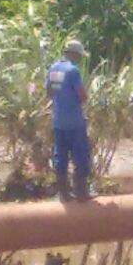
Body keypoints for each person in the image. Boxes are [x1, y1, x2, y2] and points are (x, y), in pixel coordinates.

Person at [47, 40, 95, 202]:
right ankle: (81, 193)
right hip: (75, 122)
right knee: (80, 155)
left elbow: (49, 92)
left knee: (60, 156)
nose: (81, 59)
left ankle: (64, 194)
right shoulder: (73, 71)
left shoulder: (53, 69)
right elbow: (82, 95)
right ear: (74, 54)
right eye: (80, 56)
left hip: (58, 121)